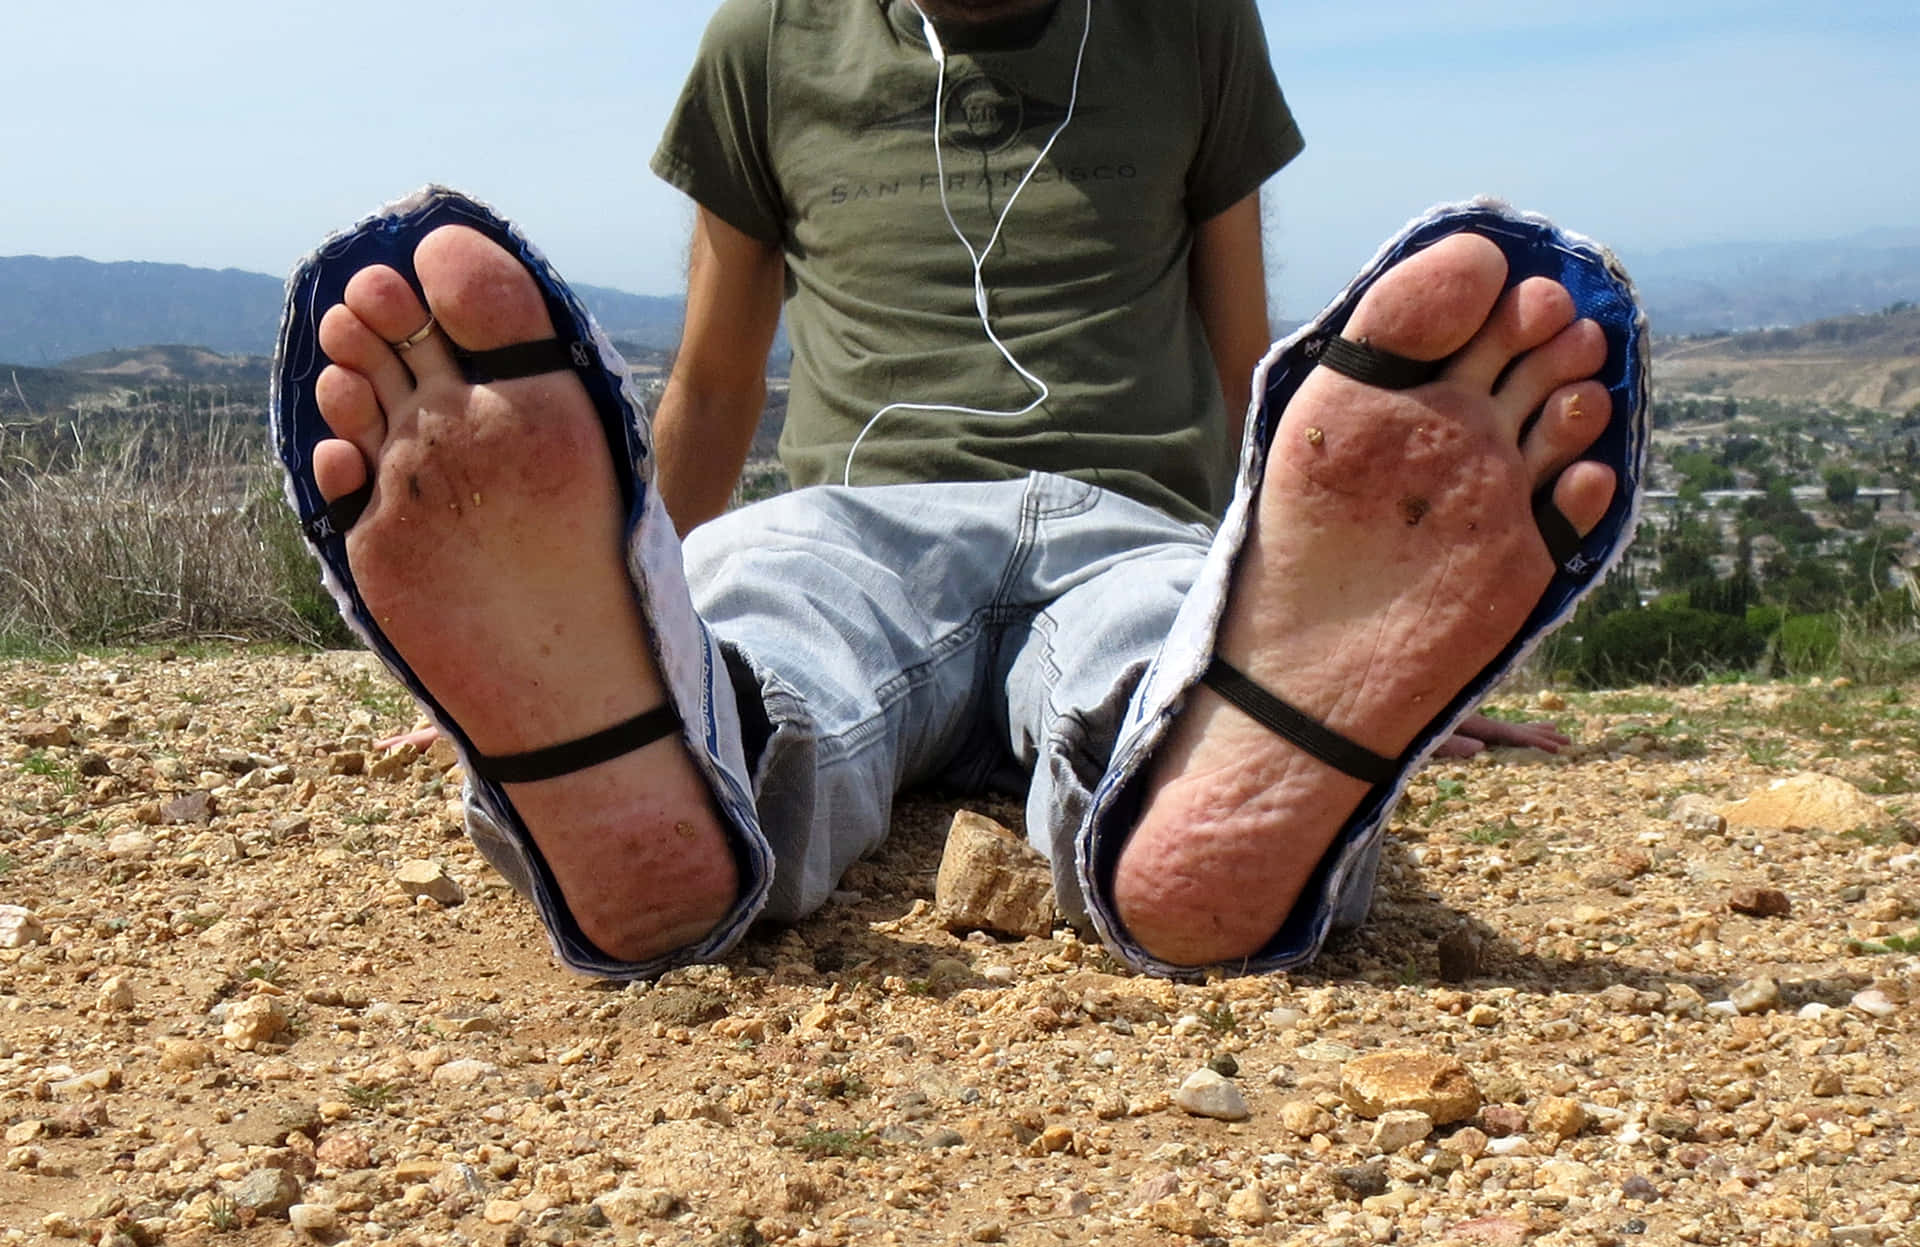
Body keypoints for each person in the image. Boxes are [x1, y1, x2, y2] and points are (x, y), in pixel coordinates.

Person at [275, 0, 1642, 983]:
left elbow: (1256, 374)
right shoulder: (763, 37)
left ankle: (1251, 732)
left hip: (1134, 523)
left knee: (1144, 637)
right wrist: (579, 642)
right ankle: (644, 743)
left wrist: (1347, 638)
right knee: (770, 607)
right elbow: (718, 380)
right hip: (861, 515)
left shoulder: (1191, 23)